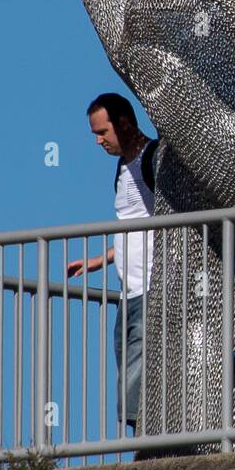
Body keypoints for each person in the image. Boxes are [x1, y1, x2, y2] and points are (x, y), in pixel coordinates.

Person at [66, 93, 158, 435]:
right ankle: (144, 437)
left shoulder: (154, 159)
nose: (98, 140)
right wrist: (98, 260)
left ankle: (147, 442)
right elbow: (131, 227)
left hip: (153, 285)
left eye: (102, 131)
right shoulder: (121, 169)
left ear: (123, 123)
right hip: (128, 291)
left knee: (138, 370)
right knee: (125, 357)